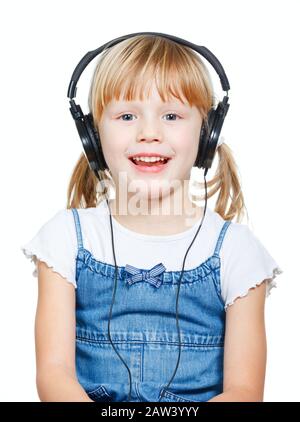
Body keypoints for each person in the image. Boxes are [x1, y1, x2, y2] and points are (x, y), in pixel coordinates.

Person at [21, 34, 283, 402]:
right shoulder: (66, 239)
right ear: (93, 137)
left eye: (172, 116)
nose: (148, 133)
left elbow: (243, 391)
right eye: (127, 116)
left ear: (206, 135)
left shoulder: (236, 252)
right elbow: (54, 375)